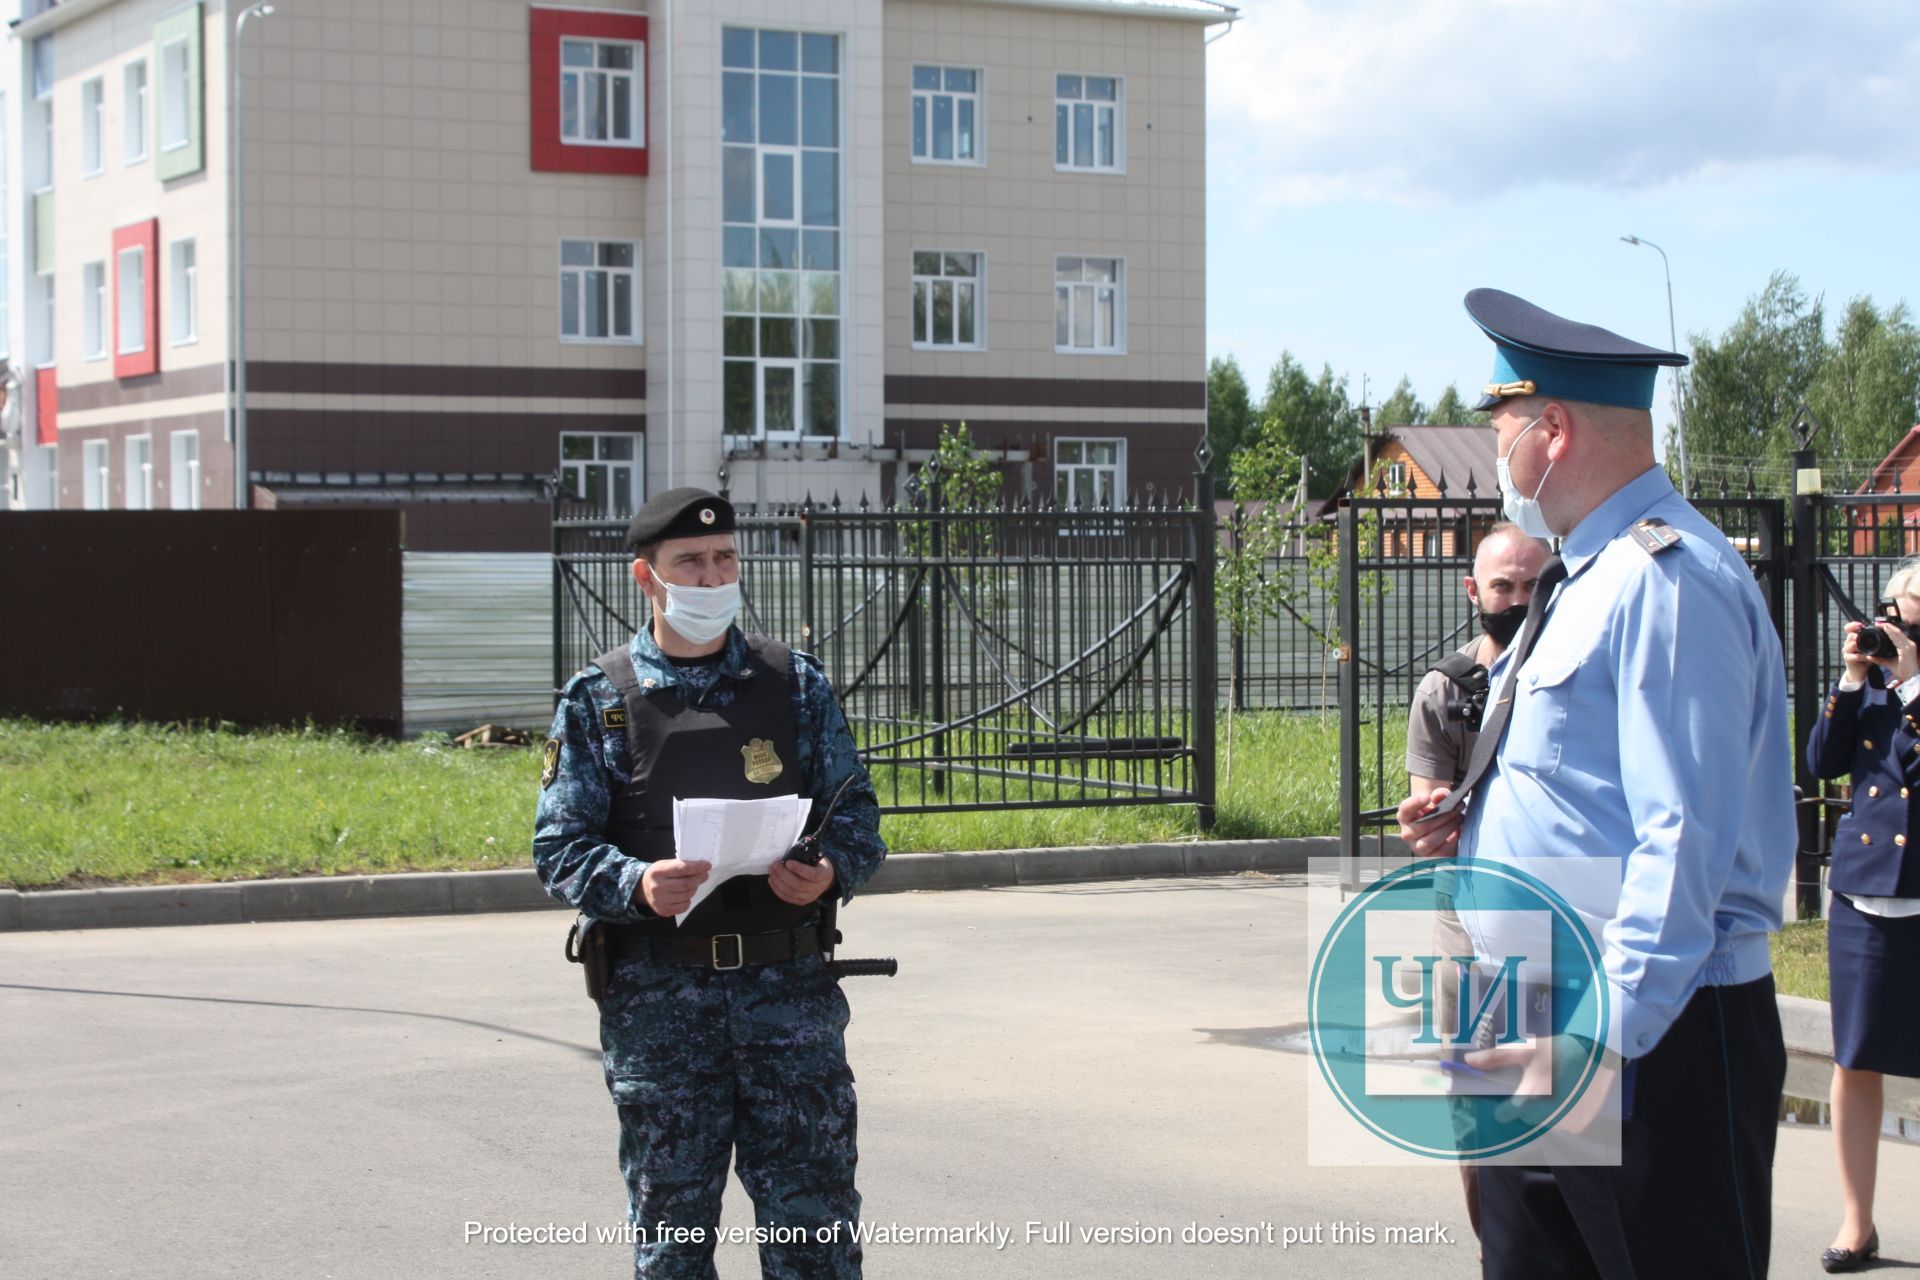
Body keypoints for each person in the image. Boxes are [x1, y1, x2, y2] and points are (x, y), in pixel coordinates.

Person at [1397, 289, 1795, 1279]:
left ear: (1555, 428)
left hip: (1645, 1034)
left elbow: (1681, 843)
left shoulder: (1669, 579)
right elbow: (1584, 783)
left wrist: (1600, 1045)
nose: (1497, 451)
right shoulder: (1584, 574)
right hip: (1535, 1006)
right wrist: (1476, 819)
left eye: (1500, 423)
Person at [533, 487, 886, 1279]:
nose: (711, 574)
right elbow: (558, 846)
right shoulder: (599, 700)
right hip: (662, 1012)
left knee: (816, 1234)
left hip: (788, 1004)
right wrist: (634, 881)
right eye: (689, 561)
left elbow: (856, 812)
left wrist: (829, 870)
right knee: (673, 1239)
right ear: (646, 577)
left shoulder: (794, 685)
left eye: (724, 557)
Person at [1404, 520, 1552, 1240]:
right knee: (1478, 1100)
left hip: (1567, 911)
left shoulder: (1577, 675)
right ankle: (1499, 1250)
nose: (1519, 599)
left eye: (1534, 585)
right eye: (1504, 585)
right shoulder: (1445, 690)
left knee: (1571, 1104)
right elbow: (1426, 811)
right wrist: (1427, 819)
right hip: (1467, 918)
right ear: (1474, 591)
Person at [1804, 563, 1920, 1273]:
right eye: (1894, 614)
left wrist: (1910, 683)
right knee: (1856, 1058)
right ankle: (1857, 1222)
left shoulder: (1906, 692)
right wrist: (1852, 680)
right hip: (1866, 895)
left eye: (1909, 620)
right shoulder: (1873, 691)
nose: (1895, 629)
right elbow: (1822, 762)